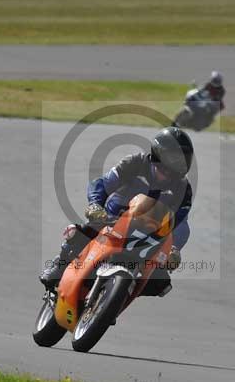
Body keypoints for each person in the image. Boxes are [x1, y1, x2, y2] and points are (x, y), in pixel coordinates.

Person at [39, 127, 194, 297]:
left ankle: (117, 298)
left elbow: (181, 223)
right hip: (113, 220)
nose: (173, 165)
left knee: (161, 282)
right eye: (171, 158)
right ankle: (58, 265)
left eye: (180, 161)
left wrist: (174, 248)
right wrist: (95, 205)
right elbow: (102, 183)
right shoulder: (135, 163)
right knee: (81, 232)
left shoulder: (182, 188)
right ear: (158, 153)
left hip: (148, 237)